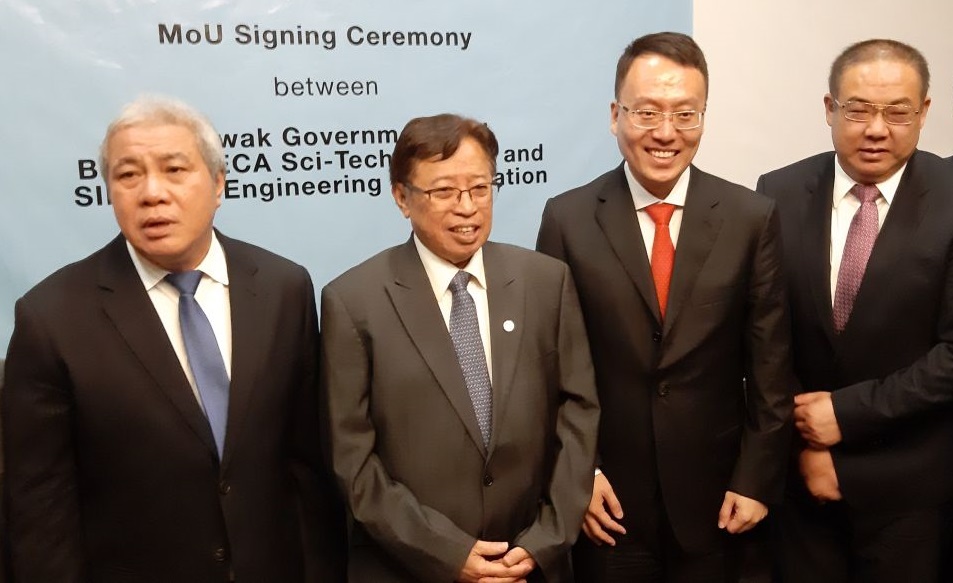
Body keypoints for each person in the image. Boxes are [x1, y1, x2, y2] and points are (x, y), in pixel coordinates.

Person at [1, 95, 346, 582]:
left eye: (174, 169)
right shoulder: (51, 317)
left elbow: (307, 466)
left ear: (218, 184)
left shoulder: (282, 287)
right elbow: (40, 507)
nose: (152, 193)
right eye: (128, 176)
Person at [536, 32, 793, 582]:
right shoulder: (568, 220)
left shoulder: (751, 217)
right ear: (615, 114)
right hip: (608, 507)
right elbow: (549, 367)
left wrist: (756, 480)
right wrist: (579, 474)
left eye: (685, 114)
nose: (666, 133)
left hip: (721, 504)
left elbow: (771, 367)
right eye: (647, 112)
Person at [320, 113, 600, 582]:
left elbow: (579, 414)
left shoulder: (545, 282)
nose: (467, 207)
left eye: (480, 188)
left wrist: (544, 540)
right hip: (411, 567)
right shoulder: (354, 301)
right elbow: (353, 462)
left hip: (531, 563)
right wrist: (447, 552)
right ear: (402, 197)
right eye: (445, 192)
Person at [756, 39, 953, 583]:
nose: (876, 129)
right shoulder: (778, 193)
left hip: (911, 489)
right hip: (800, 493)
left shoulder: (950, 196)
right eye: (858, 109)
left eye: (898, 113)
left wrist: (846, 418)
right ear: (829, 109)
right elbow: (766, 336)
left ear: (925, 112)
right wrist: (805, 442)